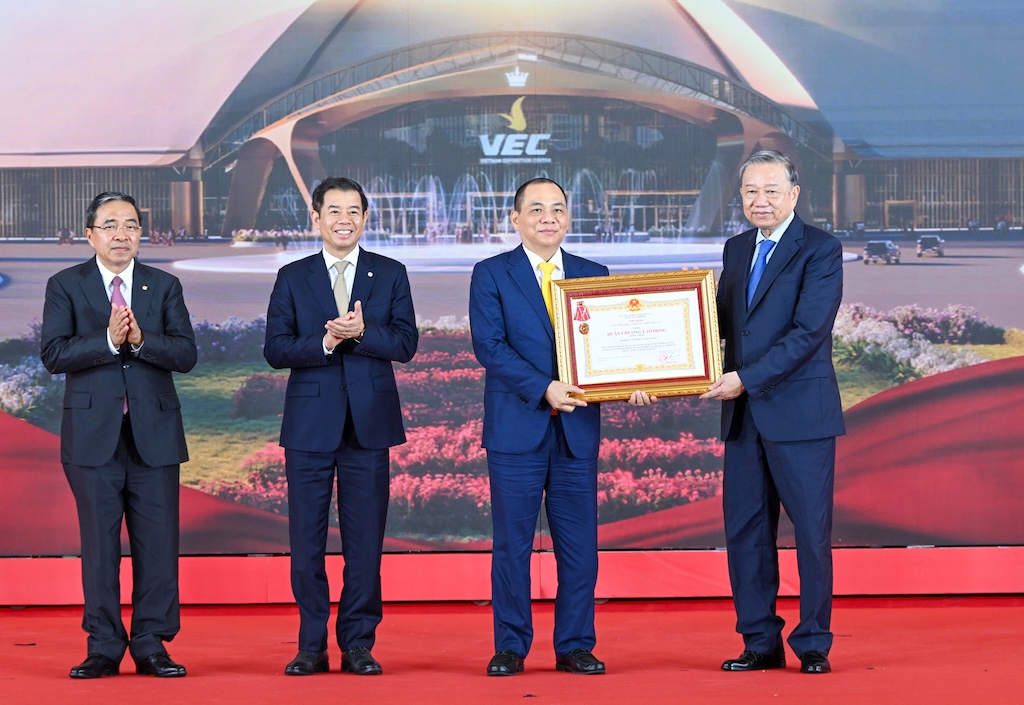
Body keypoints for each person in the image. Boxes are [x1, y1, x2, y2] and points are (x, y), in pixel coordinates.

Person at [470, 177, 652, 678]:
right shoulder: (491, 274)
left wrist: (631, 381)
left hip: (577, 433)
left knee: (580, 548)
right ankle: (510, 645)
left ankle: (575, 644)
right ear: (515, 218)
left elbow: (614, 349)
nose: (547, 217)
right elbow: (490, 347)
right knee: (512, 545)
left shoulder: (595, 274)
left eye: (557, 209)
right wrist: (544, 386)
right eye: (536, 209)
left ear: (569, 216)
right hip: (517, 429)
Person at [264, 176, 418, 677]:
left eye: (354, 211)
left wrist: (364, 333)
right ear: (315, 218)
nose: (344, 220)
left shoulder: (389, 273)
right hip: (309, 427)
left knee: (365, 543)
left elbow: (406, 343)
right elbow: (276, 349)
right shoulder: (292, 276)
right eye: (334, 211)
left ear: (366, 218)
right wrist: (327, 343)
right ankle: (311, 644)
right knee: (307, 542)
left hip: (368, 429)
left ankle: (357, 642)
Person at [40, 191, 197, 679]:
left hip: (154, 434)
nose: (121, 233)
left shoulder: (163, 285)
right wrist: (109, 341)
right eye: (110, 225)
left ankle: (152, 643)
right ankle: (104, 644)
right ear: (90, 235)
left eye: (130, 224)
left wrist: (141, 341)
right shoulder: (65, 285)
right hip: (93, 436)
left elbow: (185, 354)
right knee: (100, 546)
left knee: (157, 544)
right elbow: (54, 355)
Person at [700, 150, 845, 675]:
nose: (759, 200)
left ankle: (813, 643)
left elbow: (809, 333)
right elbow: (718, 322)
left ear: (794, 194)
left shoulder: (821, 250)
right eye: (749, 192)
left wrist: (745, 379)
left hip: (800, 413)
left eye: (770, 191)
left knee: (810, 532)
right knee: (746, 532)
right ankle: (758, 640)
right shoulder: (736, 248)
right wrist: (662, 362)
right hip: (743, 420)